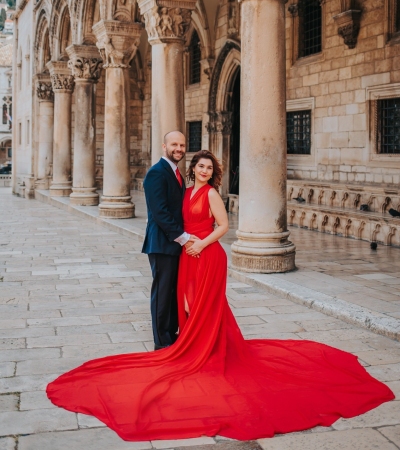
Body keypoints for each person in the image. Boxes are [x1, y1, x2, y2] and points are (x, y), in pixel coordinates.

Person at [47, 150, 394, 442]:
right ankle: (198, 343)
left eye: (209, 168)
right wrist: (188, 244)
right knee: (189, 304)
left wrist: (202, 243)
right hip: (188, 256)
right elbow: (172, 218)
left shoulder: (212, 194)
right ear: (192, 168)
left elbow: (224, 227)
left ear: (214, 173)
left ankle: (208, 349)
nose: (204, 170)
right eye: (200, 166)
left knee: (207, 305)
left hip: (208, 255)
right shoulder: (185, 193)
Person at [142, 130, 198, 350]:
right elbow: (160, 212)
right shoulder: (157, 173)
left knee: (174, 290)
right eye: (174, 144)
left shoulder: (175, 172)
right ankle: (161, 341)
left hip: (173, 244)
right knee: (163, 292)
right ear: (164, 147)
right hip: (162, 244)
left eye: (182, 145)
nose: (179, 149)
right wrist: (184, 238)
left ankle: (171, 333)